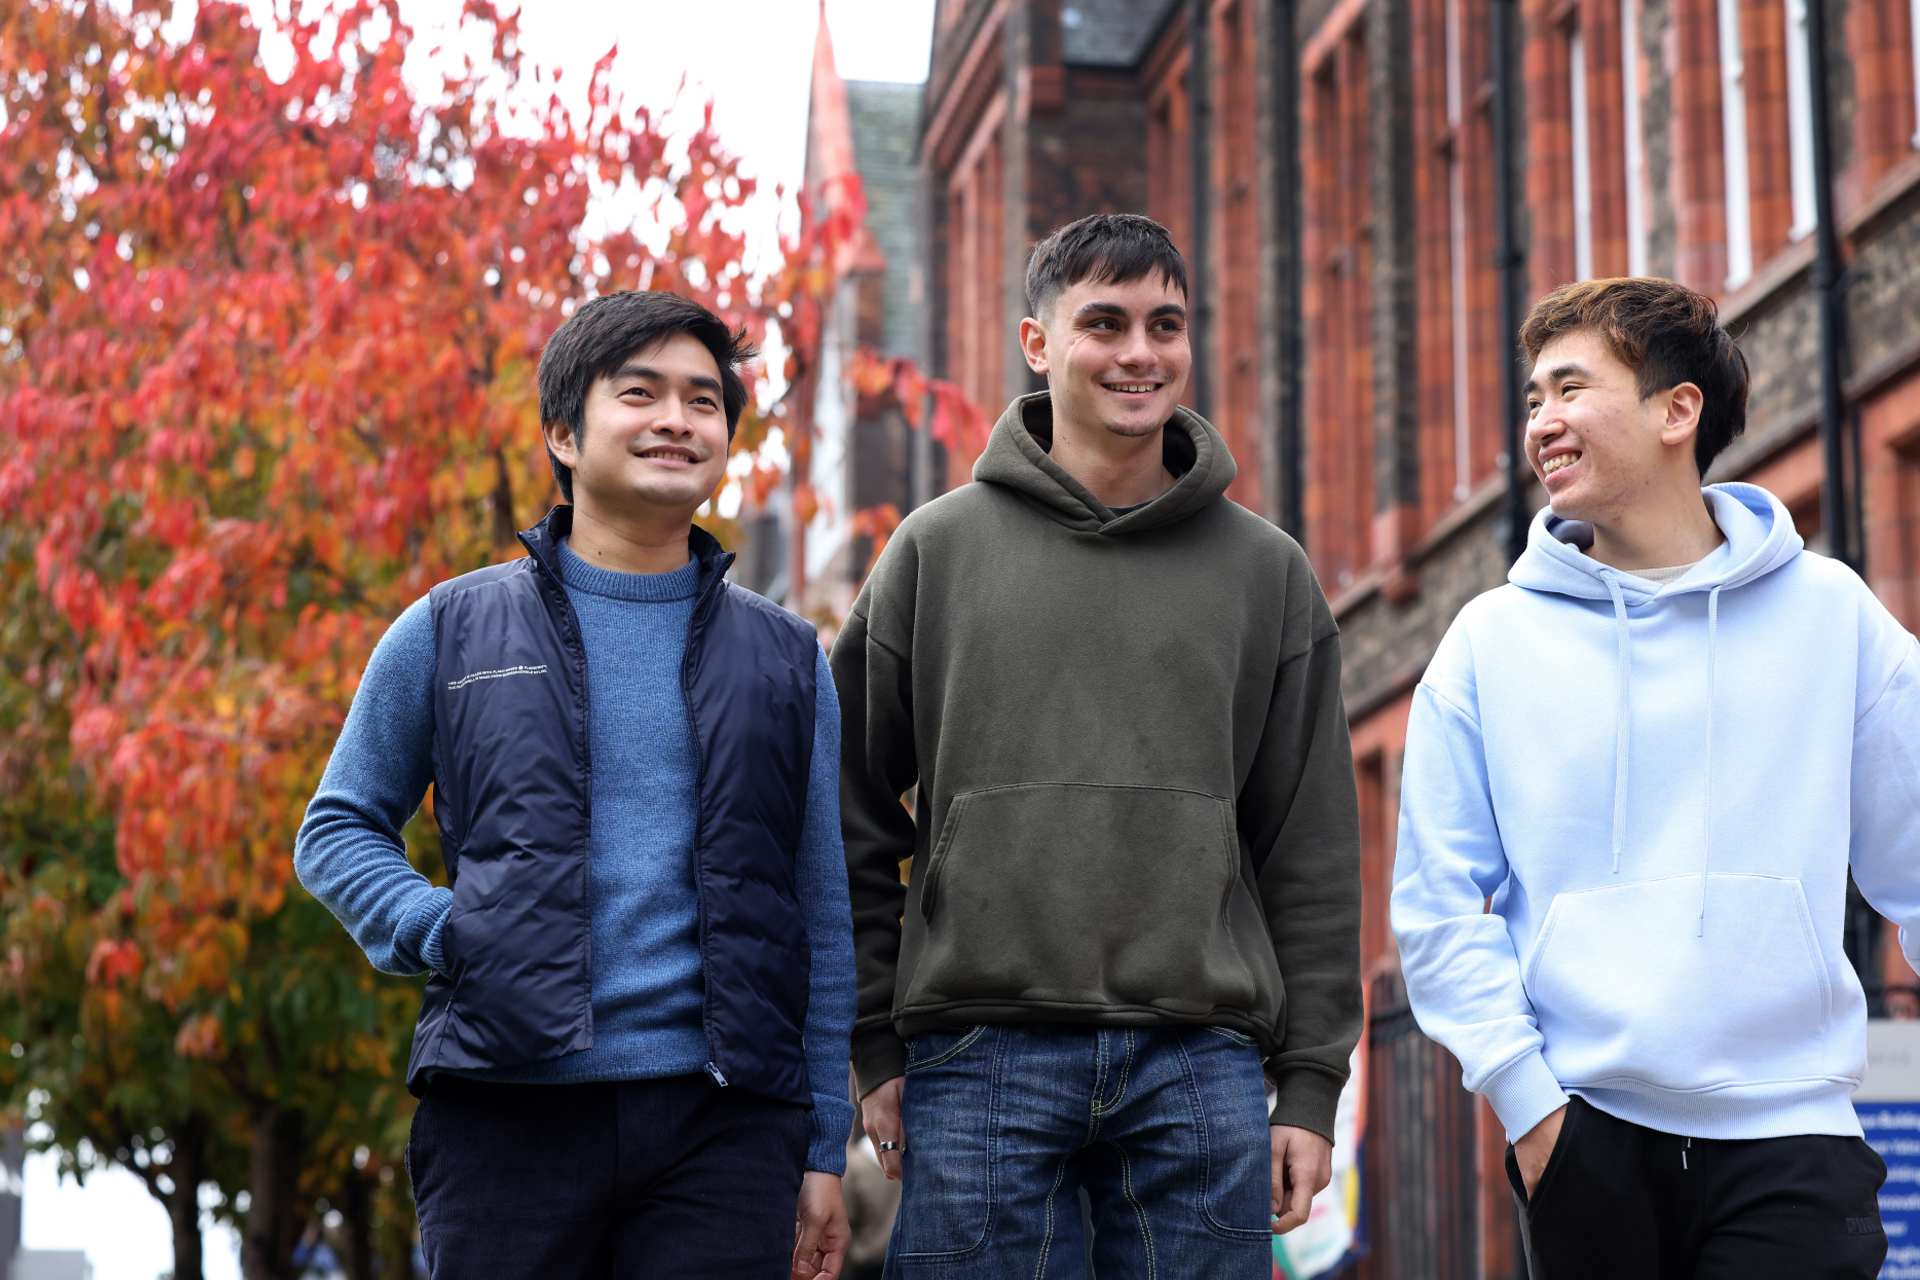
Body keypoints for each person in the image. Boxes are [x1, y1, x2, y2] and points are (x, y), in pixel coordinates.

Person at [832, 212, 1362, 1276]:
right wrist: (873, 1040)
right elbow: (840, 807)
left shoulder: (1267, 573)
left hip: (1202, 1062)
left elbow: (1308, 846)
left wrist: (1310, 1080)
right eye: (1104, 322)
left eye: (1165, 324)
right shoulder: (935, 551)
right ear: (1037, 342)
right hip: (978, 1057)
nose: (1139, 353)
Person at [295, 290, 857, 1280]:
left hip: (723, 1126)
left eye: (703, 400)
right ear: (563, 430)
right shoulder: (450, 629)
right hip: (506, 1110)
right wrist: (441, 928)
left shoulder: (784, 658)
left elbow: (818, 910)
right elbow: (337, 828)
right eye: (640, 393)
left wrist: (822, 1143)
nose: (677, 420)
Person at [1391, 276, 1920, 1278]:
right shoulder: (1490, 641)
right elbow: (1436, 901)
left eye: (1571, 389)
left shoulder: (1829, 614)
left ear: (1677, 411)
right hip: (1588, 1137)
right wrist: (1531, 1107)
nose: (1542, 420)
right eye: (1535, 396)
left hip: (1793, 1135)